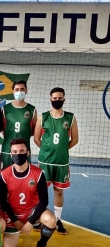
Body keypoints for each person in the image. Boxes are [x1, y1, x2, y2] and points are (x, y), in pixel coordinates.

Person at [0, 138, 56, 247]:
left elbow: (44, 201)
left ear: (28, 153)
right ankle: (15, 231)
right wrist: (16, 221)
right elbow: (3, 203)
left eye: (21, 151)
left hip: (32, 211)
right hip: (13, 214)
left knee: (51, 220)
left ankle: (41, 245)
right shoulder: (4, 175)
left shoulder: (38, 173)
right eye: (14, 152)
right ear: (10, 154)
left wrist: (30, 221)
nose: (18, 154)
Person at [34, 87, 79, 235]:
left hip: (61, 163)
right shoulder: (43, 117)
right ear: (50, 99)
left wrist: (62, 150)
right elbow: (36, 139)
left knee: (59, 192)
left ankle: (58, 220)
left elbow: (75, 139)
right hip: (45, 162)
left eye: (60, 98)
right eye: (55, 98)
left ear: (64, 99)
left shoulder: (70, 118)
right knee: (40, 192)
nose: (57, 100)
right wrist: (47, 151)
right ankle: (38, 218)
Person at [0, 80, 37, 174]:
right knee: (5, 177)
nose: (19, 91)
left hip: (24, 150)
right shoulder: (5, 109)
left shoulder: (32, 109)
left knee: (24, 177)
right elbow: (2, 128)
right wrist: (10, 137)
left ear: (26, 91)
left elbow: (33, 130)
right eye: (17, 89)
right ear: (13, 91)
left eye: (22, 89)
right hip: (7, 149)